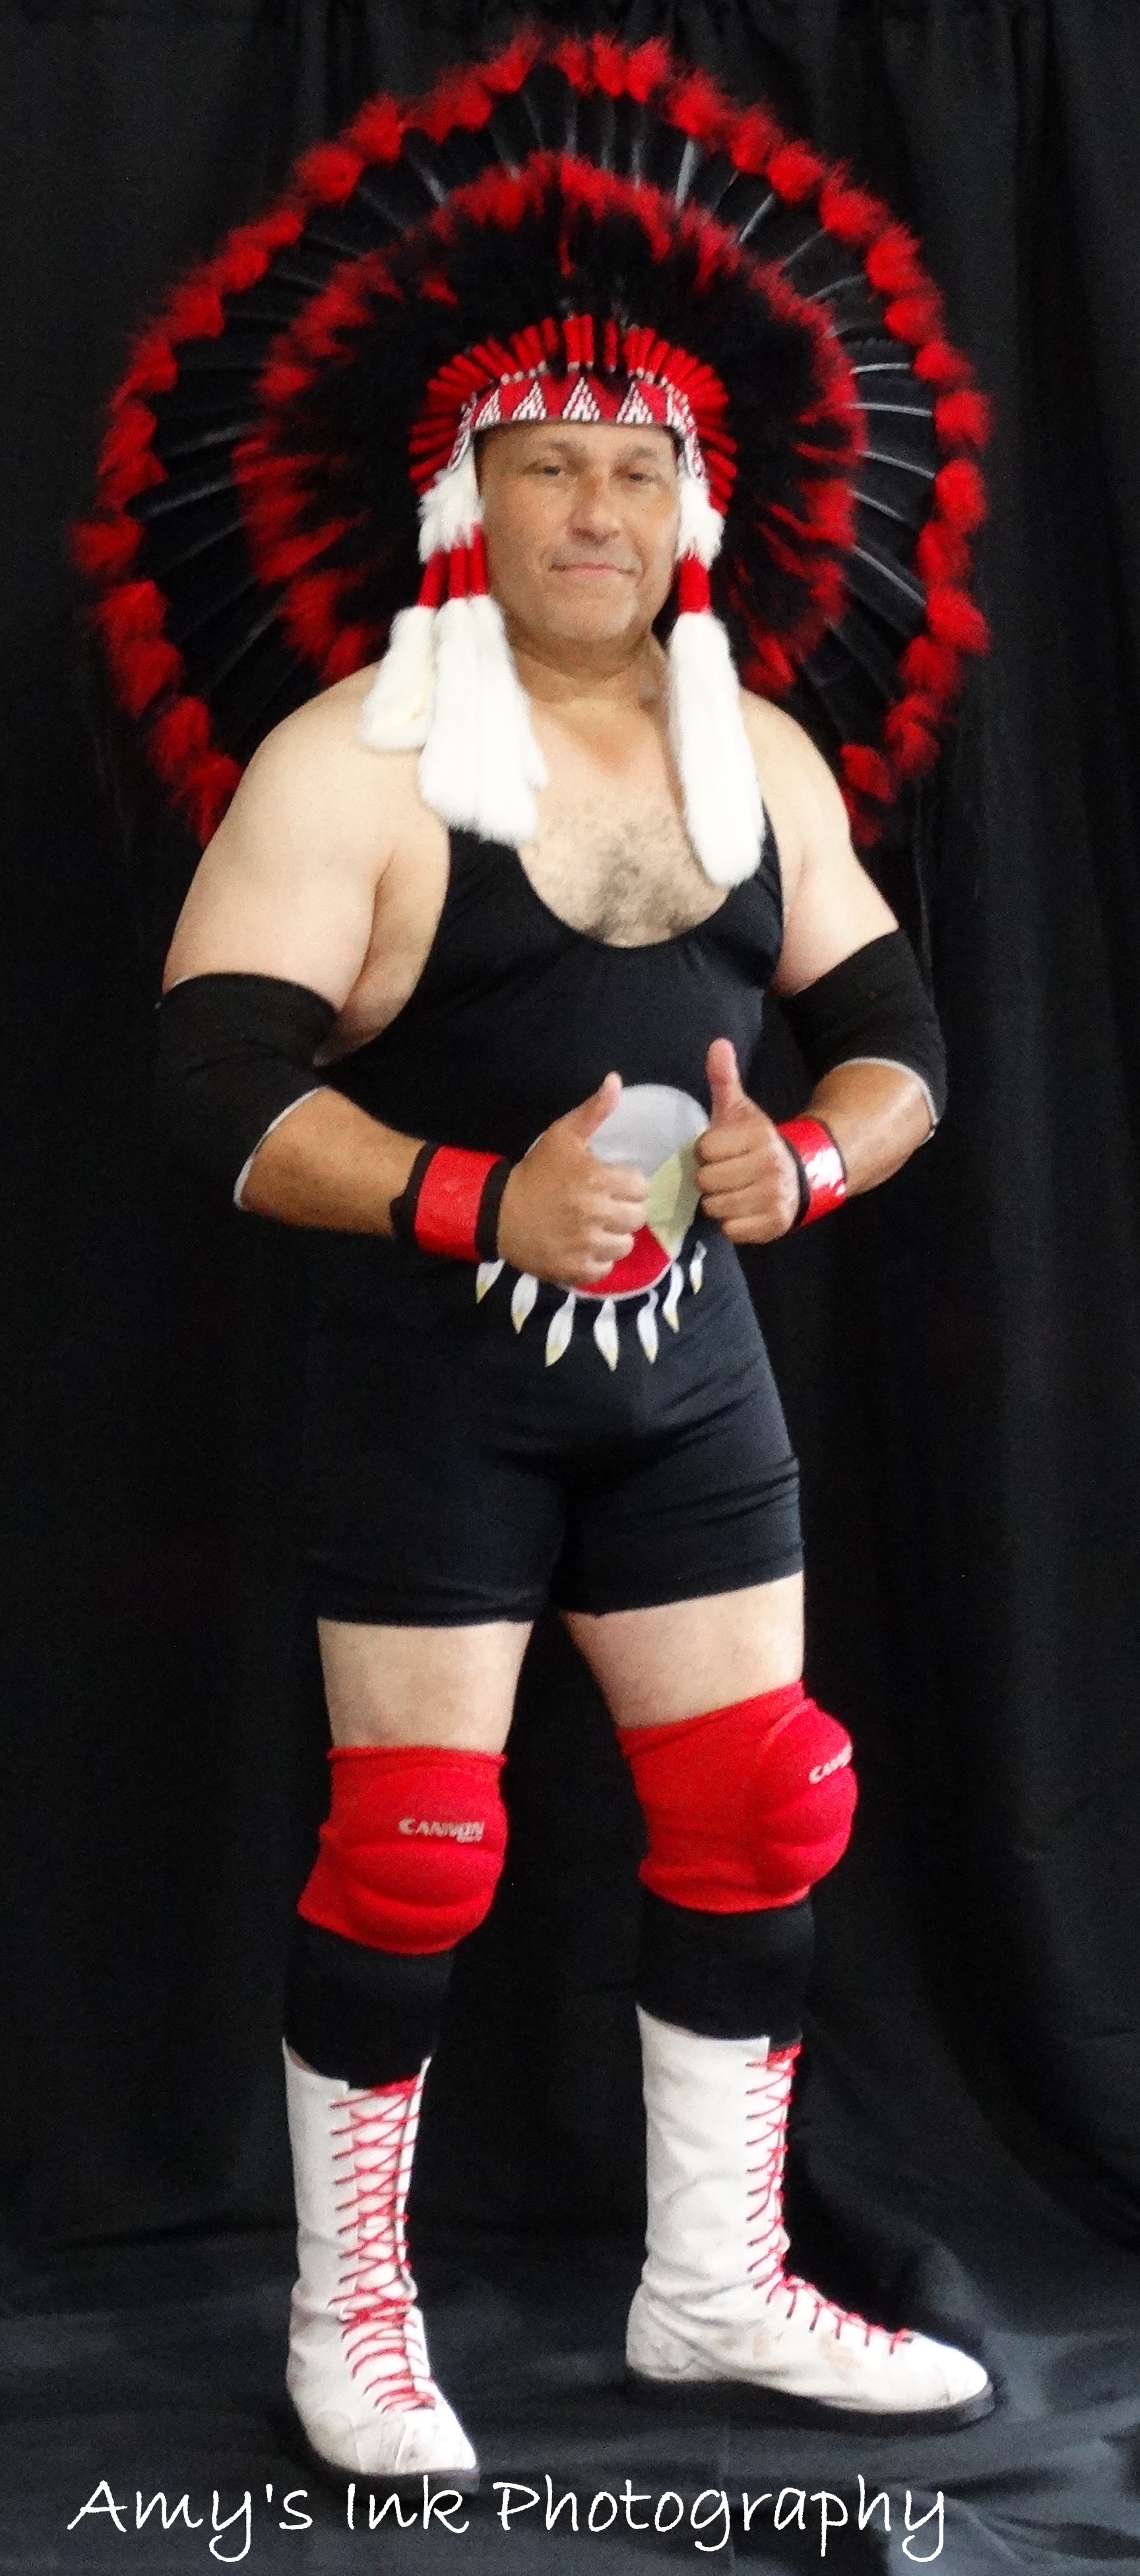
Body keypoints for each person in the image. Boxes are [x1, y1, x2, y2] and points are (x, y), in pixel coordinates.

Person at [80, 33, 994, 2486]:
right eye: (550, 459)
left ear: (697, 505)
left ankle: (715, 2288)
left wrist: (811, 1169)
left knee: (767, 1808)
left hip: (696, 1383)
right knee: (414, 1851)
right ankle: (348, 2315)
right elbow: (210, 1086)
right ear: (463, 494)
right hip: (436, 1387)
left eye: (636, 464)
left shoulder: (758, 756)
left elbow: (902, 1044)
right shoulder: (352, 761)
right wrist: (479, 1196)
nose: (597, 500)